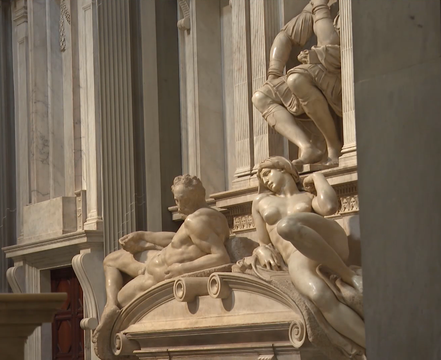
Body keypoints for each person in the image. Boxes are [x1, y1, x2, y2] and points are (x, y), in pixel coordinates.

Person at [93, 175, 231, 342]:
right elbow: (177, 240)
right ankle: (110, 305)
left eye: (180, 200)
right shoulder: (209, 216)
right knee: (111, 259)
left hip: (157, 275)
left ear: (191, 199)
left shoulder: (195, 221)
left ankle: (112, 306)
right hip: (157, 259)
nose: (177, 205)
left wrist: (181, 269)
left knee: (120, 299)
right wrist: (144, 238)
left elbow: (221, 257)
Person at [251, 156, 365, 348]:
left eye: (267, 173)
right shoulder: (260, 201)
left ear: (284, 169)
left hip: (327, 244)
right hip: (296, 257)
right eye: (262, 178)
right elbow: (262, 241)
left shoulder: (308, 197)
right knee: (319, 295)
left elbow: (330, 207)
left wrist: (318, 177)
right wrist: (261, 250)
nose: (266, 180)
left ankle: (349, 276)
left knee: (287, 225)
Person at [252, 0, 342, 167]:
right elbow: (285, 37)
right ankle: (307, 146)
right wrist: (274, 73)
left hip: (342, 75)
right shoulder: (315, 6)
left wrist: (320, 7)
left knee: (296, 79)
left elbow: (332, 42)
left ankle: (333, 146)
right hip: (317, 70)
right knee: (261, 97)